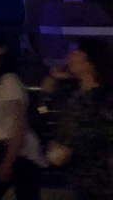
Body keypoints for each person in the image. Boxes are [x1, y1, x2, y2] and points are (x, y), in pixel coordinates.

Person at [0, 33, 44, 200]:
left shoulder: (9, 80)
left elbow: (19, 123)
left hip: (20, 153)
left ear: (0, 50)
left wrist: (8, 161)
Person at [42, 38, 113, 200]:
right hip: (85, 179)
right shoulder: (77, 93)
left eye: (75, 53)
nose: (69, 56)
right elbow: (44, 112)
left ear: (89, 63)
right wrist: (48, 89)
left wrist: (59, 150)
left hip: (98, 182)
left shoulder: (92, 101)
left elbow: (78, 139)